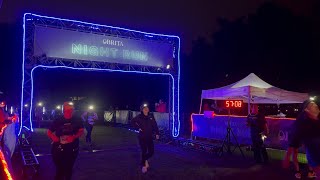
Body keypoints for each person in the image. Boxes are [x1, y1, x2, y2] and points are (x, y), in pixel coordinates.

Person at [47, 102, 84, 180]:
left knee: (69, 167)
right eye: (67, 110)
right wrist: (54, 137)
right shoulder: (58, 119)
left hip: (72, 147)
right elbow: (49, 132)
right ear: (63, 110)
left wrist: (74, 137)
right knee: (59, 167)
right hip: (58, 147)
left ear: (73, 110)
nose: (69, 112)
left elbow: (81, 131)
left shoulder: (77, 119)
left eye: (71, 110)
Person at [290, 100, 320, 179]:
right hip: (299, 139)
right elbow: (295, 135)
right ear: (307, 109)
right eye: (313, 105)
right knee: (296, 152)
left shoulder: (314, 120)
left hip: (314, 152)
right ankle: (298, 171)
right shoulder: (303, 121)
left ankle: (310, 172)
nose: (316, 105)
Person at [131, 104, 160, 173]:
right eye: (145, 108)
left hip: (149, 137)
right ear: (142, 110)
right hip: (142, 137)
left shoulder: (151, 116)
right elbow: (132, 121)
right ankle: (144, 166)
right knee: (144, 151)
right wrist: (138, 128)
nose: (146, 109)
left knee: (151, 152)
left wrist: (157, 133)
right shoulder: (139, 117)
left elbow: (155, 125)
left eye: (147, 107)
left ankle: (144, 160)